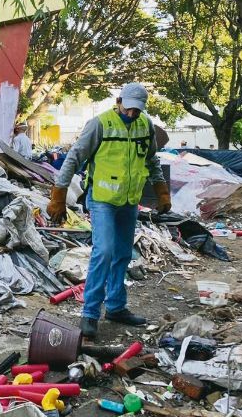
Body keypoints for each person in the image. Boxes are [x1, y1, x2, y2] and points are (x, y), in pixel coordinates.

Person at [46, 83, 170, 339]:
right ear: (119, 100)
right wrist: (59, 194)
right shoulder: (100, 124)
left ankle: (115, 307)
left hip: (128, 200)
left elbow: (152, 160)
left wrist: (161, 191)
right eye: (130, 108)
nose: (133, 114)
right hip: (102, 199)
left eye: (138, 110)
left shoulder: (145, 126)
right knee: (103, 251)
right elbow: (74, 157)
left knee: (123, 253)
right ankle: (90, 313)